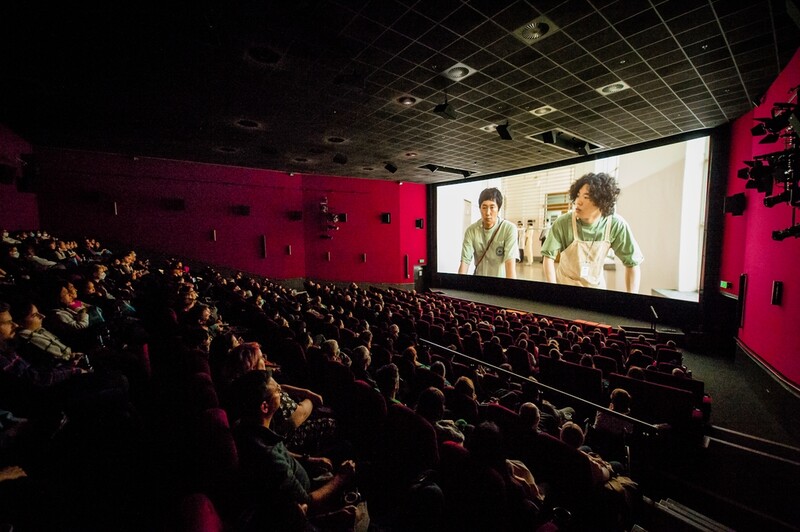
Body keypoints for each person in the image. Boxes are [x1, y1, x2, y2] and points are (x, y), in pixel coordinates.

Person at [541, 173, 643, 292]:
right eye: (578, 195)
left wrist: (632, 299)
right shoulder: (563, 223)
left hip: (596, 288)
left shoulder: (615, 225)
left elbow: (632, 263)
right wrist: (553, 290)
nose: (578, 202)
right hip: (565, 286)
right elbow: (548, 258)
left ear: (602, 202)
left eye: (586, 197)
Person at [458, 188, 518, 278]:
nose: (488, 212)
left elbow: (510, 265)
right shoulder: (471, 230)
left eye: (492, 207)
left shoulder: (509, 229)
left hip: (500, 285)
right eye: (484, 207)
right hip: (478, 284)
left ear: (498, 208)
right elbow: (465, 262)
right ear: (480, 208)